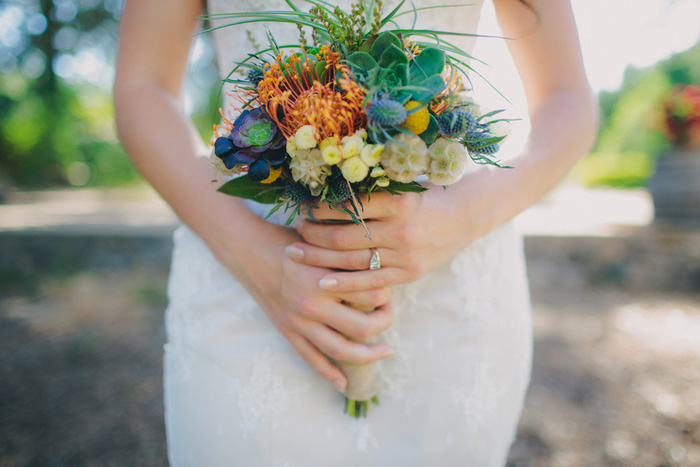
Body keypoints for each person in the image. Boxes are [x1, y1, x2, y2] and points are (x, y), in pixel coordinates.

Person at [114, 0, 597, 464]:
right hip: (244, 277)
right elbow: (143, 85)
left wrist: (464, 215)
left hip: (452, 286)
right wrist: (253, 255)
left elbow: (568, 98)